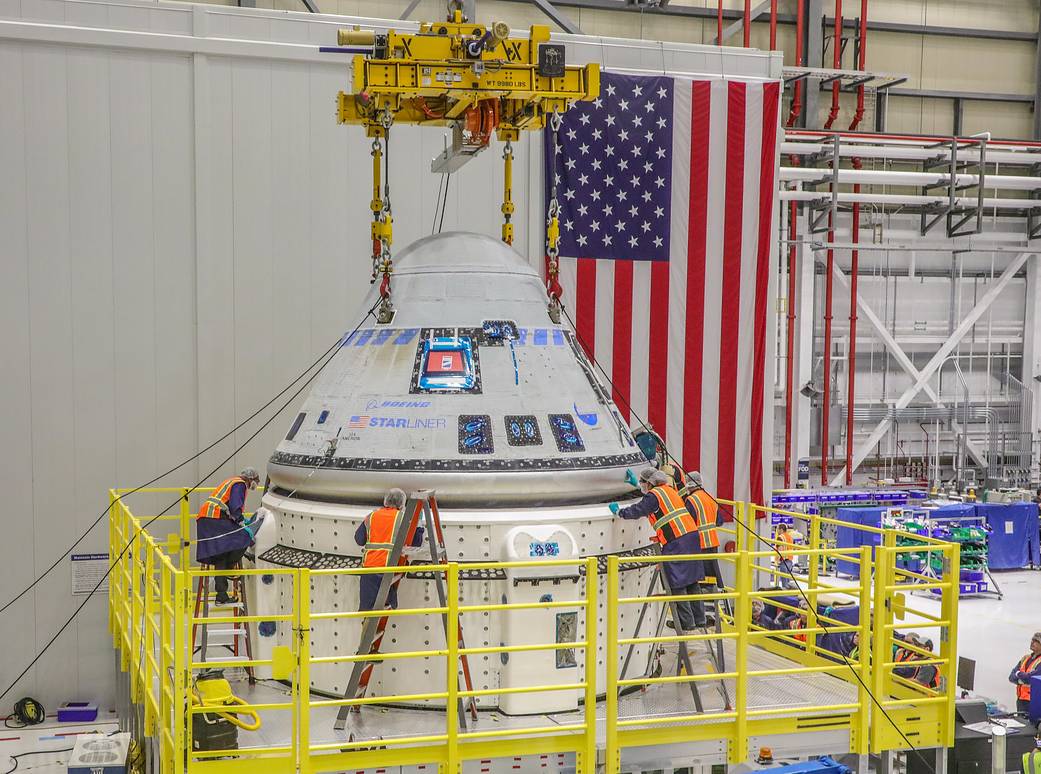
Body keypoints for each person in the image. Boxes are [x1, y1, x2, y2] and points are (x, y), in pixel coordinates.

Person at [610, 469, 715, 630]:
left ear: (650, 483)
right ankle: (699, 619)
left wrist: (620, 512)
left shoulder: (653, 495)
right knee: (692, 580)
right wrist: (637, 486)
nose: (643, 486)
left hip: (677, 541)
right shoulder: (669, 490)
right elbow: (666, 512)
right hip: (691, 537)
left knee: (676, 582)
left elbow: (640, 509)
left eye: (643, 482)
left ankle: (686, 622)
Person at [196, 467, 262, 605]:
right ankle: (229, 566)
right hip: (214, 519)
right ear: (250, 479)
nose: (256, 484)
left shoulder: (232, 481)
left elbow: (229, 507)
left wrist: (241, 520)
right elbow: (234, 506)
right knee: (244, 538)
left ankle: (222, 595)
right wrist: (242, 523)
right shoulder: (240, 484)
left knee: (221, 554)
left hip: (208, 519)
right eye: (256, 481)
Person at [354, 488, 425, 612]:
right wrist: (419, 524)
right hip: (389, 567)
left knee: (369, 611)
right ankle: (389, 602)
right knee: (385, 602)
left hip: (369, 567)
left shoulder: (372, 516)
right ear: (402, 504)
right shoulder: (403, 518)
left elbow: (359, 539)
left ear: (385, 501)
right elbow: (416, 543)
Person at [1010, 633, 1041, 714]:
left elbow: (1030, 679)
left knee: (1031, 725)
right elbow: (1011, 677)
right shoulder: (1025, 658)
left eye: (1036, 641)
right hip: (1021, 700)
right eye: (1032, 640)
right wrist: (1022, 678)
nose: (1032, 642)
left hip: (1034, 701)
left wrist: (1018, 674)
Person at [774, 523, 797, 589]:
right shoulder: (789, 537)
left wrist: (777, 561)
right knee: (788, 581)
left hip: (783, 561)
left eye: (777, 529)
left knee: (784, 584)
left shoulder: (780, 537)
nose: (777, 531)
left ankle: (787, 596)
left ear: (781, 529)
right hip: (790, 560)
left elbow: (780, 550)